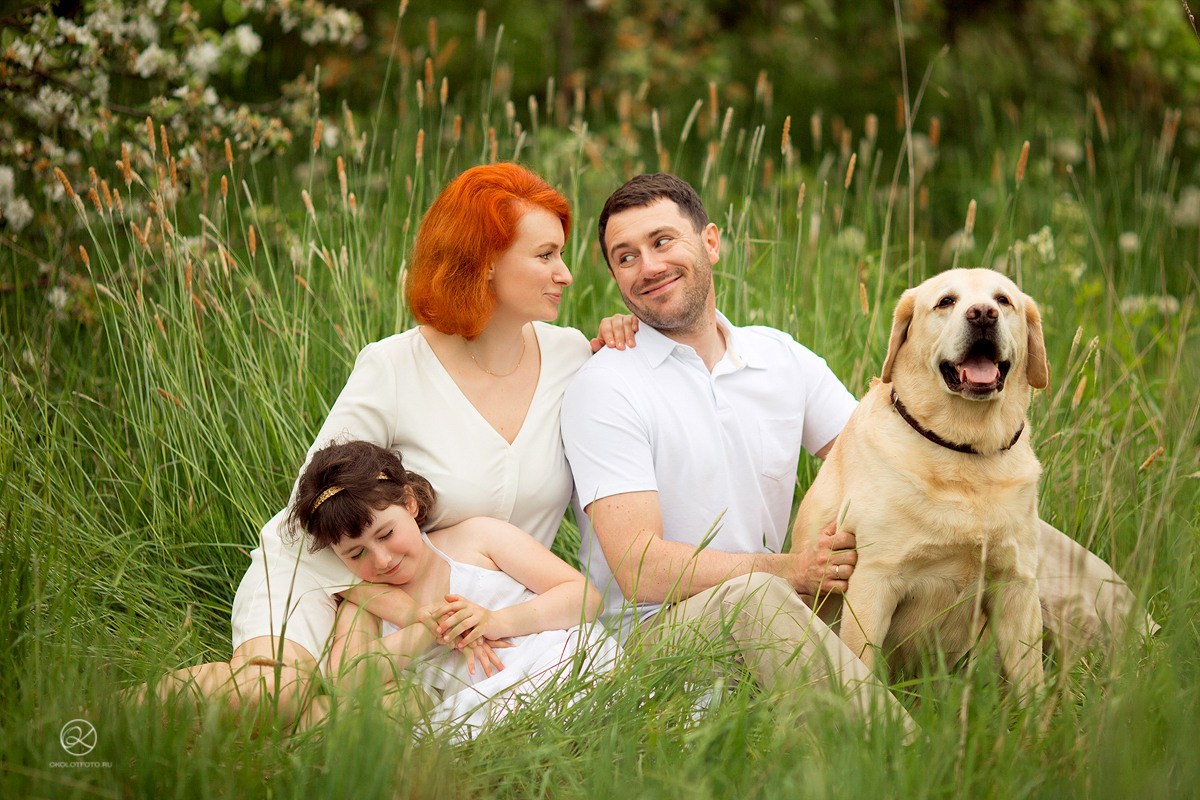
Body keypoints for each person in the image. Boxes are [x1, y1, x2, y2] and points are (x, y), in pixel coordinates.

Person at [561, 173, 1157, 725]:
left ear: (711, 243)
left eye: (663, 241)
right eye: (626, 256)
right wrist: (788, 570)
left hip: (788, 608)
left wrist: (981, 499)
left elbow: (885, 452)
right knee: (754, 596)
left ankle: (1155, 664)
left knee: (1008, 528)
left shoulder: (778, 357)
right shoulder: (608, 383)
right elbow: (639, 566)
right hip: (656, 639)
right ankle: (900, 759)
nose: (648, 266)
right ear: (614, 276)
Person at [150, 163, 632, 725]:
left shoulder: (573, 356)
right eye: (546, 255)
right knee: (273, 695)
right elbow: (316, 502)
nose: (566, 274)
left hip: (459, 619)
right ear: (485, 262)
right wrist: (370, 607)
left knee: (343, 733)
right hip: (341, 569)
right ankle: (89, 720)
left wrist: (629, 337)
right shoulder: (394, 366)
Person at [288, 440, 617, 739]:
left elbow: (586, 597)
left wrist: (495, 621)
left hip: (556, 661)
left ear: (410, 503)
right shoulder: (368, 603)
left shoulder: (476, 539)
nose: (382, 560)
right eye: (356, 554)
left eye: (386, 534)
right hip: (479, 709)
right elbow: (344, 679)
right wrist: (428, 630)